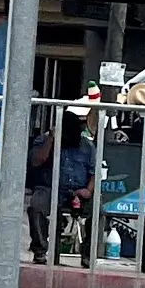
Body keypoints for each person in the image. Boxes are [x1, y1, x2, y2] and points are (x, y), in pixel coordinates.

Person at [26, 112, 95, 264]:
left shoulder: (87, 145)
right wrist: (51, 138)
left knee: (98, 210)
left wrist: (88, 190)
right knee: (37, 204)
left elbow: (94, 172)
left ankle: (88, 254)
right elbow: (37, 161)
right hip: (50, 187)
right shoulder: (44, 140)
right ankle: (40, 250)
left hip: (79, 191)